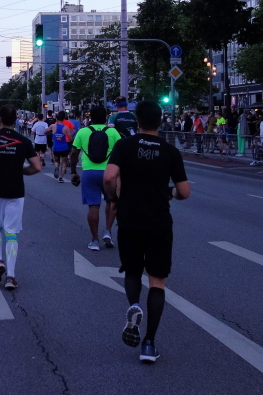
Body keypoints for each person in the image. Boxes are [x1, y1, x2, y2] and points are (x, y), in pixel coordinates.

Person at [104, 101, 190, 363]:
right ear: (160, 121)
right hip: (159, 222)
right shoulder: (170, 151)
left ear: (137, 121)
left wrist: (113, 198)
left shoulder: (124, 146)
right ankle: (149, 344)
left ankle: (134, 305)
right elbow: (184, 192)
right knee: (157, 280)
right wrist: (169, 193)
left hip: (130, 219)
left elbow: (109, 177)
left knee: (132, 271)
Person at [0, 105, 41, 290]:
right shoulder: (24, 141)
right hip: (16, 190)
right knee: (11, 232)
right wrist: (20, 171)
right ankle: (11, 276)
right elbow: (37, 167)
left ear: (0, 119)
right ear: (16, 119)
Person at [69, 105, 121, 250]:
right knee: (111, 202)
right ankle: (108, 231)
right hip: (109, 173)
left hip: (89, 173)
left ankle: (94, 240)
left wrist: (73, 171)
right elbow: (121, 152)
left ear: (90, 117)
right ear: (106, 117)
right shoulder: (113, 132)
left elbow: (74, 153)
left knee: (93, 206)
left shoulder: (83, 132)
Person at [44, 111, 72, 183]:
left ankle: (56, 167)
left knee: (57, 160)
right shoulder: (66, 127)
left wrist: (51, 133)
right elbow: (70, 137)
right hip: (64, 147)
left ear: (56, 119)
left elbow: (45, 132)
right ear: (63, 119)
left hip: (56, 147)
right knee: (64, 162)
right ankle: (61, 177)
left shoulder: (53, 126)